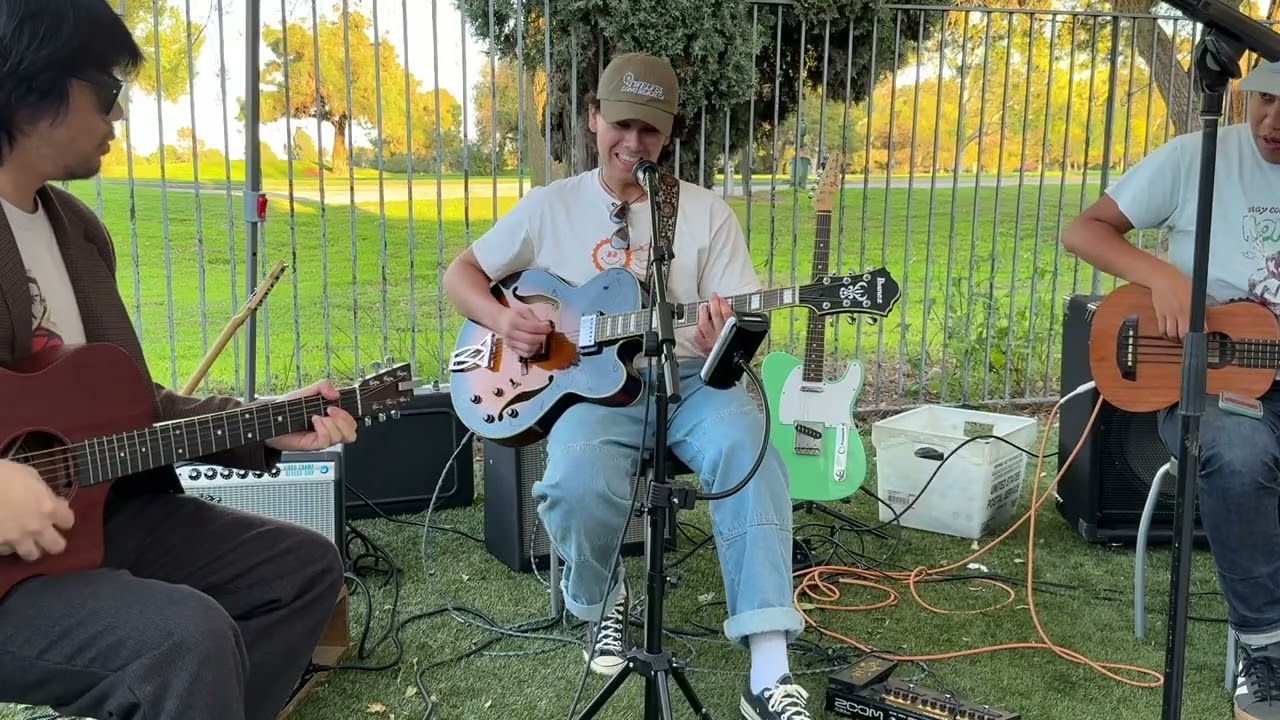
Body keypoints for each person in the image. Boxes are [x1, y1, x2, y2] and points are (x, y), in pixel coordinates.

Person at [0, 2, 354, 719]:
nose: (118, 119)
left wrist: (266, 423)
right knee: (185, 639)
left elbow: (123, 406)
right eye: (109, 94)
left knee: (303, 570)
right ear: (37, 86)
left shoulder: (77, 232)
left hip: (94, 517)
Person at [444, 52, 812, 719]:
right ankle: (603, 597)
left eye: (649, 130)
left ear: (668, 135)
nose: (633, 143)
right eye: (621, 125)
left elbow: (745, 323)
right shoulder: (548, 208)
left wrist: (717, 336)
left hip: (693, 383)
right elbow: (460, 274)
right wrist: (504, 318)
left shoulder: (702, 214)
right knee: (574, 479)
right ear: (592, 120)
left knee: (750, 452)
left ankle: (768, 661)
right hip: (593, 391)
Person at [1063, 59, 1280, 720]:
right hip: (1205, 383)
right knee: (1238, 458)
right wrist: (1158, 275)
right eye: (1265, 101)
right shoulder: (1197, 158)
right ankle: (1266, 650)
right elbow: (1083, 230)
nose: (1274, 121)